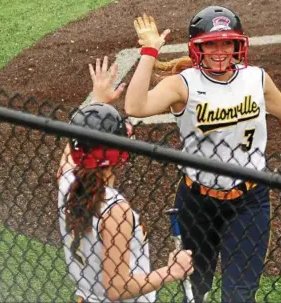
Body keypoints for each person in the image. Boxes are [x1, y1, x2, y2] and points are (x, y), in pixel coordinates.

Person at [125, 6, 281, 303]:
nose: (220, 51)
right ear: (198, 48)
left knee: (239, 296)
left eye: (226, 43)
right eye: (211, 44)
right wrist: (150, 52)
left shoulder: (255, 78)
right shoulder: (183, 84)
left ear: (237, 45)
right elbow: (136, 106)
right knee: (196, 288)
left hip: (249, 201)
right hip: (196, 202)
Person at [57, 56, 193, 302]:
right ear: (119, 153)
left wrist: (96, 102)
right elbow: (118, 288)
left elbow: (70, 152)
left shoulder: (68, 184)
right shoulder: (115, 210)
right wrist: (173, 271)